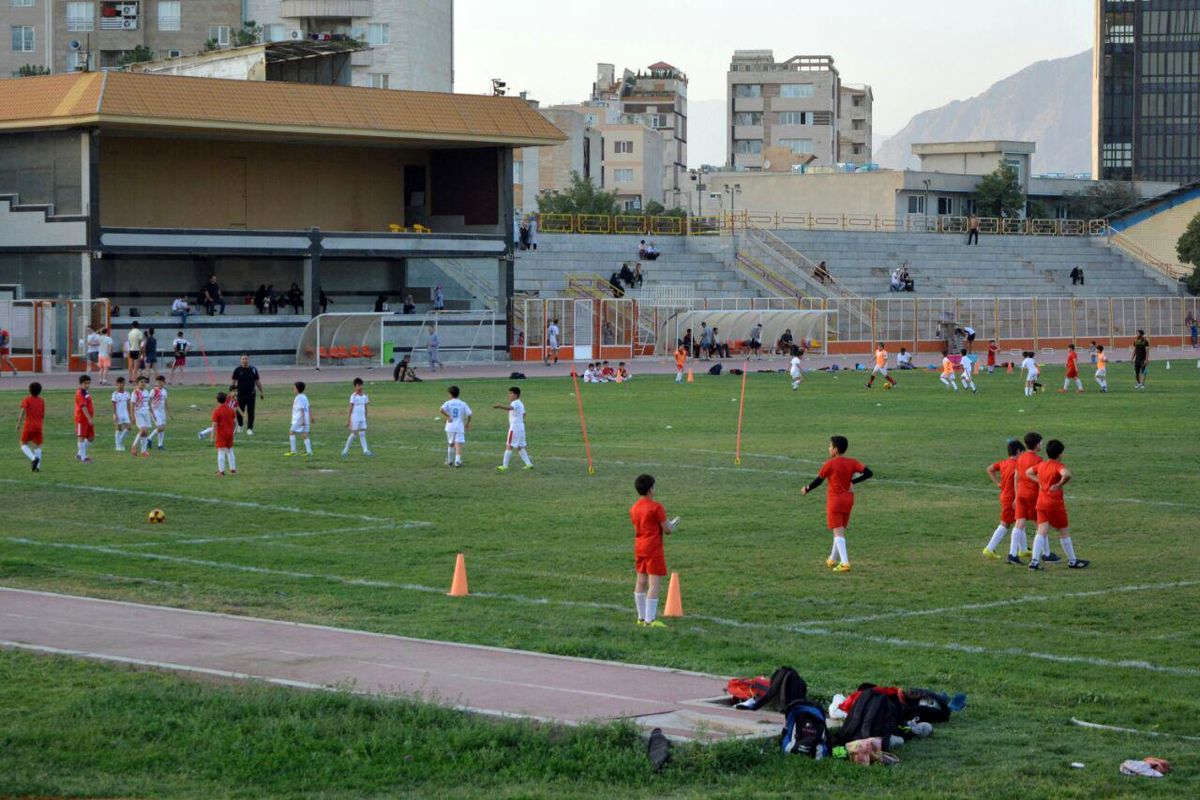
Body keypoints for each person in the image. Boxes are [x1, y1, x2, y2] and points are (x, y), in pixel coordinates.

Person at [801, 435, 872, 573]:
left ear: (836, 449)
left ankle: (845, 563)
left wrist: (807, 488)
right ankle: (832, 559)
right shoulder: (852, 462)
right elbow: (869, 473)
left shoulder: (830, 464)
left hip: (835, 501)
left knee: (838, 532)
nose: (828, 448)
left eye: (830, 446)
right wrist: (853, 482)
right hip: (848, 500)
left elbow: (818, 480)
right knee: (839, 530)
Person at [1028, 439, 1088, 570]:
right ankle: (1073, 561)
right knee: (1063, 531)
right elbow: (1067, 474)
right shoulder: (1058, 466)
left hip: (1041, 502)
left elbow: (1028, 472)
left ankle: (1034, 561)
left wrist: (1040, 482)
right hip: (1054, 503)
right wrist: (1060, 484)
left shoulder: (1042, 464)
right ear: (1060, 454)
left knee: (1041, 531)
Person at [630, 473, 678, 628]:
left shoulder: (634, 507)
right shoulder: (656, 507)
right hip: (653, 547)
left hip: (639, 546)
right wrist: (672, 525)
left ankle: (641, 618)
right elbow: (667, 529)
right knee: (654, 584)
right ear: (650, 490)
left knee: (641, 581)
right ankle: (650, 620)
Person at [1012, 431, 1060, 566]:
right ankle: (1046, 554)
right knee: (1041, 524)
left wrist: (1016, 495)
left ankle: (1012, 554)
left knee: (1019, 523)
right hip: (1033, 495)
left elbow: (1016, 477)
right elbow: (1042, 478)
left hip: (1020, 493)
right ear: (1036, 444)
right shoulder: (1038, 460)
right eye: (1041, 442)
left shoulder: (1020, 457)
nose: (1042, 445)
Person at [983, 439, 1025, 562]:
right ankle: (989, 548)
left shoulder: (1003, 463)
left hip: (1005, 495)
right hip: (1011, 498)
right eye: (1022, 453)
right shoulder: (1017, 466)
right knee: (1005, 524)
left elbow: (989, 469)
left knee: (1020, 520)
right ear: (1018, 451)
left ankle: (1023, 549)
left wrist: (998, 483)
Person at [494, 385, 533, 471]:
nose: (509, 395)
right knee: (519, 446)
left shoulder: (515, 403)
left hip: (515, 427)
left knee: (509, 445)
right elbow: (524, 414)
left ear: (515, 395)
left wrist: (500, 406)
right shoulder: (520, 403)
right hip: (521, 426)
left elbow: (510, 408)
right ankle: (529, 464)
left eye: (511, 393)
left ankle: (504, 466)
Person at [230, 354, 264, 435]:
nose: (245, 360)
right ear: (240, 360)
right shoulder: (237, 370)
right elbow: (233, 382)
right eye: (243, 359)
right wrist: (232, 393)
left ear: (248, 360)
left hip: (251, 394)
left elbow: (257, 382)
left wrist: (261, 392)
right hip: (240, 394)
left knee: (251, 411)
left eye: (246, 358)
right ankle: (240, 425)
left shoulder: (253, 369)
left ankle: (249, 428)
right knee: (239, 410)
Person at [440, 385, 471, 467]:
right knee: (458, 444)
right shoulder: (462, 403)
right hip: (459, 427)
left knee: (451, 444)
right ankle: (457, 461)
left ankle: (450, 461)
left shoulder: (448, 403)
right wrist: (467, 423)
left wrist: (448, 416)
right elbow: (469, 414)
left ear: (450, 394)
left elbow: (441, 410)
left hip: (450, 426)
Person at [16, 381, 44, 472]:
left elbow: (22, 412)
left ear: (29, 390)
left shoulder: (27, 400)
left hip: (29, 425)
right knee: (38, 446)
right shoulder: (41, 401)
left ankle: (33, 458)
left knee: (23, 444)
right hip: (39, 426)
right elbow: (43, 415)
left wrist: (18, 424)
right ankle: (37, 467)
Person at [341, 377, 373, 458]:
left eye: (361, 385)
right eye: (358, 385)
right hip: (355, 418)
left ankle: (365, 450)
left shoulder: (365, 396)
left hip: (362, 418)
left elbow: (365, 408)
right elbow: (351, 408)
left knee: (362, 433)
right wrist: (349, 420)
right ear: (355, 386)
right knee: (354, 434)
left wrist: (366, 417)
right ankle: (345, 451)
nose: (360, 387)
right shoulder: (353, 396)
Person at [212, 391, 238, 476]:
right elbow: (235, 422)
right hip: (229, 434)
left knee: (221, 452)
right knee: (230, 450)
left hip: (221, 435)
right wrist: (233, 431)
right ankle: (233, 469)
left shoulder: (217, 411)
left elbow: (215, 425)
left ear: (217, 400)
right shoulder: (230, 410)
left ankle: (221, 471)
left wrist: (212, 436)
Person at [286, 381, 313, 458]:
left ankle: (293, 451)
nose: (293, 389)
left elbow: (302, 409)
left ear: (297, 389)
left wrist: (302, 420)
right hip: (305, 418)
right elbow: (309, 406)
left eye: (294, 388)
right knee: (305, 434)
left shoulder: (299, 398)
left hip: (299, 419)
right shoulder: (304, 396)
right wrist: (311, 417)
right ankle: (309, 451)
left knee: (291, 432)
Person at [128, 375, 153, 457]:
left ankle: (143, 451)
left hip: (146, 413)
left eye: (144, 382)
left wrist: (151, 412)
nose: (143, 383)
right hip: (138, 413)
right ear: (137, 383)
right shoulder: (135, 392)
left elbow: (148, 403)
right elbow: (132, 404)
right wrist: (132, 416)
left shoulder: (146, 392)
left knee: (145, 432)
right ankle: (134, 446)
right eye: (141, 382)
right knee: (143, 430)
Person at [74, 375, 95, 463]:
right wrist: (89, 418)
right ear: (80, 384)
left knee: (91, 437)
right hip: (81, 418)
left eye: (88, 383)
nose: (87, 385)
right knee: (81, 437)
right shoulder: (80, 393)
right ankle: (83, 458)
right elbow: (83, 406)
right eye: (85, 383)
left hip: (87, 418)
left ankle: (79, 454)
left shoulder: (86, 392)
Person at [111, 376, 132, 452]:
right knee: (119, 429)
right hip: (118, 413)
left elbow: (128, 404)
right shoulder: (115, 394)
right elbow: (113, 405)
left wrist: (130, 414)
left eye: (122, 383)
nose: (121, 384)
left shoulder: (127, 393)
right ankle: (118, 446)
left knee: (129, 428)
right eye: (119, 383)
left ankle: (120, 441)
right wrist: (115, 415)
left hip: (125, 413)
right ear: (117, 384)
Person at [150, 374, 169, 450]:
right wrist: (151, 411)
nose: (160, 383)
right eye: (158, 382)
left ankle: (160, 445)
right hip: (155, 410)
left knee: (163, 428)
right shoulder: (154, 390)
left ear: (164, 383)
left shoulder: (164, 391)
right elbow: (149, 400)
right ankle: (149, 438)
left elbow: (165, 402)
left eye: (162, 382)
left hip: (162, 411)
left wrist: (168, 412)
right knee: (160, 427)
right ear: (156, 383)